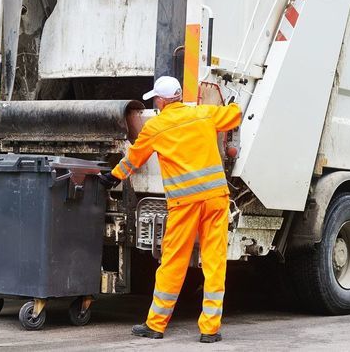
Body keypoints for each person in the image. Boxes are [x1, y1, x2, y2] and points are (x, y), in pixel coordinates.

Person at [99, 76, 242, 343]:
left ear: (163, 101)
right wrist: (234, 101)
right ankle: (210, 330)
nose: (155, 102)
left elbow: (134, 158)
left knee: (173, 263)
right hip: (215, 200)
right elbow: (234, 116)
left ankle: (156, 325)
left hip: (184, 204)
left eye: (156, 98)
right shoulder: (204, 114)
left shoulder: (157, 126)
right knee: (214, 262)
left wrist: (113, 177)